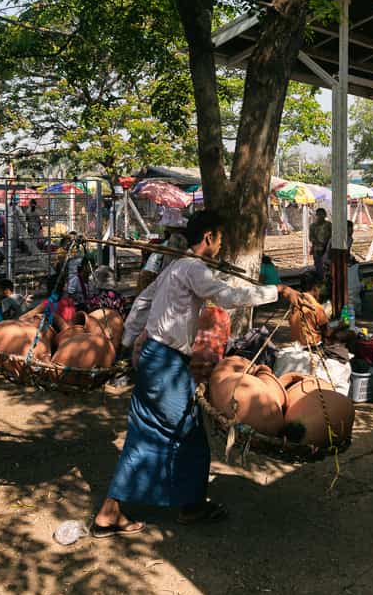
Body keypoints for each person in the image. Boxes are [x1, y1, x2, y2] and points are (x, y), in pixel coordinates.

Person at [91, 210, 300, 536]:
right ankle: (189, 506)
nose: (220, 246)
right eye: (219, 240)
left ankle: (113, 511)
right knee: (189, 437)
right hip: (165, 363)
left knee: (146, 431)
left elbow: (142, 303)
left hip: (153, 359)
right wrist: (278, 292)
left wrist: (130, 343)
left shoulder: (174, 267)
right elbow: (228, 297)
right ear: (208, 238)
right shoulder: (191, 267)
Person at [289, 271, 329, 345]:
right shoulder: (316, 307)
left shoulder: (294, 304)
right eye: (319, 288)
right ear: (315, 288)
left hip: (297, 344)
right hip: (312, 345)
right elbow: (326, 332)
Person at [309, 208, 332, 278]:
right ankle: (320, 280)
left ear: (325, 215)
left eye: (322, 214)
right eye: (319, 214)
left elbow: (332, 235)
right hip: (317, 249)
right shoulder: (312, 226)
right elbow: (311, 237)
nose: (320, 216)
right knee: (318, 266)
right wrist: (318, 243)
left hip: (328, 249)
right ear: (316, 215)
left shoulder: (329, 224)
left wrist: (327, 245)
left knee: (327, 266)